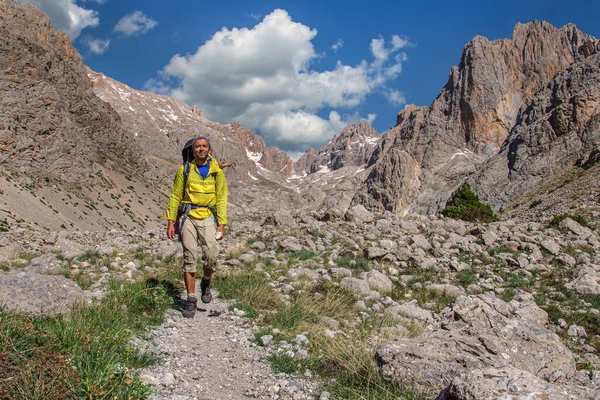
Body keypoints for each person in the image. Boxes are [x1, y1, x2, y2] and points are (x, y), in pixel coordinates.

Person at [166, 136, 228, 318]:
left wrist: (221, 224)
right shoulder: (184, 170)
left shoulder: (217, 172)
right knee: (189, 257)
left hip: (208, 216)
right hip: (188, 217)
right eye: (198, 147)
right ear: (192, 151)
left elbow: (222, 198)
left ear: (209, 150)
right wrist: (171, 221)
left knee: (211, 255)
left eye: (204, 146)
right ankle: (191, 299)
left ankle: (206, 281)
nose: (201, 149)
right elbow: (175, 196)